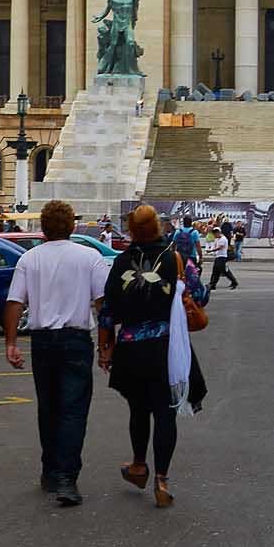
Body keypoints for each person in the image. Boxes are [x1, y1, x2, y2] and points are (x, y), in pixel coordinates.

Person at [98, 204, 207, 509]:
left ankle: (137, 465)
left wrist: (104, 348)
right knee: (164, 412)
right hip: (166, 347)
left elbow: (107, 311)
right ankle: (162, 479)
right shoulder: (176, 259)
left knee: (137, 409)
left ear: (131, 231)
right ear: (158, 228)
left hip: (131, 348)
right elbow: (199, 296)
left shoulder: (120, 263)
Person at [2, 199, 108, 507]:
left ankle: (50, 470)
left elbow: (14, 303)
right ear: (72, 226)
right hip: (76, 339)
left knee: (48, 407)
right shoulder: (90, 257)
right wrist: (106, 345)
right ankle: (67, 477)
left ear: (43, 229)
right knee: (73, 410)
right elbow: (103, 304)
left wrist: (10, 343)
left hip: (42, 340)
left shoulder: (29, 259)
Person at [205, 223, 237, 293]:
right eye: (214, 233)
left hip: (222, 257)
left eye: (216, 233)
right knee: (215, 271)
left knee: (225, 272)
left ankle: (234, 282)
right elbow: (214, 246)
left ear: (219, 232)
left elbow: (220, 248)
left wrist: (211, 250)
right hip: (218, 257)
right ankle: (212, 284)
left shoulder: (223, 239)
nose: (215, 234)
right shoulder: (217, 239)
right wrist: (209, 250)